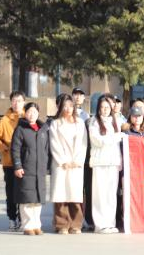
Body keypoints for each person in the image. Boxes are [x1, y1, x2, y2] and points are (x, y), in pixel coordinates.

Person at [50, 94, 87, 234]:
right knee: (61, 194)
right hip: (61, 164)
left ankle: (76, 224)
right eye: (65, 106)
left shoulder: (80, 123)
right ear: (60, 107)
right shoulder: (55, 123)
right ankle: (62, 224)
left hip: (76, 164)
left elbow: (84, 143)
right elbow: (54, 143)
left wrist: (77, 160)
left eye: (70, 106)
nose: (68, 108)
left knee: (75, 194)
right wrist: (63, 160)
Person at [11, 102, 49, 235]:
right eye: (29, 112)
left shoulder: (43, 129)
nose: (32, 114)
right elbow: (15, 149)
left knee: (37, 200)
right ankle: (27, 226)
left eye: (34, 112)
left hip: (39, 170)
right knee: (26, 198)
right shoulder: (20, 129)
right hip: (26, 169)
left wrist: (46, 165)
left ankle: (36, 225)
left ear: (38, 113)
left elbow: (46, 150)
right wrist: (17, 166)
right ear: (25, 113)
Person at [0, 90, 25, 231]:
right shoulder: (4, 120)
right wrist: (4, 148)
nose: (16, 103)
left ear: (24, 102)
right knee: (11, 193)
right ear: (11, 102)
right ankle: (12, 218)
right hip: (9, 163)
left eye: (19, 101)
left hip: (25, 162)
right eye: (14, 101)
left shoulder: (28, 117)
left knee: (23, 192)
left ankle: (23, 218)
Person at [88, 95, 123, 234]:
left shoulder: (115, 121)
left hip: (113, 162)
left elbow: (117, 145)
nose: (105, 110)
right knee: (100, 194)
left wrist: (119, 161)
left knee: (111, 195)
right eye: (102, 107)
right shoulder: (94, 122)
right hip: (100, 162)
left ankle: (109, 223)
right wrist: (115, 137)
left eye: (107, 107)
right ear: (98, 108)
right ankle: (100, 224)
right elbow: (98, 141)